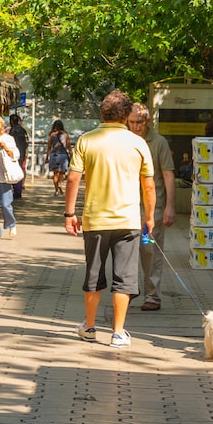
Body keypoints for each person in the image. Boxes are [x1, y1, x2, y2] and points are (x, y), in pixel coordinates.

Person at [64, 89, 155, 349]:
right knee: (125, 277)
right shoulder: (138, 143)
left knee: (93, 273)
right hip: (128, 221)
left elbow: (73, 178)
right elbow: (148, 186)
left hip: (95, 221)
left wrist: (70, 213)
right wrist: (149, 217)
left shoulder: (87, 140)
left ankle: (90, 327)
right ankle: (117, 332)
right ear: (126, 115)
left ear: (102, 112)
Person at [128, 103, 176, 311]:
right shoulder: (125, 140)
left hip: (151, 209)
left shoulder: (158, 143)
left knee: (150, 251)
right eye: (132, 122)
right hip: (127, 206)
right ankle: (127, 289)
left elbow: (168, 174)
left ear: (148, 121)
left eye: (140, 122)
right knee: (126, 250)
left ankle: (153, 296)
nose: (136, 126)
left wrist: (170, 206)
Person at [46, 120, 71, 196]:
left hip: (54, 155)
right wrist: (72, 155)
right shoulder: (66, 135)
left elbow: (49, 147)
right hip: (63, 155)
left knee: (55, 174)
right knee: (62, 173)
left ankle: (56, 190)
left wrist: (47, 157)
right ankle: (61, 184)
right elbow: (68, 146)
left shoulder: (51, 135)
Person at [8, 114, 29, 199]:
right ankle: (18, 190)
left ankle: (16, 190)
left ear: (12, 121)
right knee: (19, 171)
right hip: (22, 153)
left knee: (13, 172)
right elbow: (27, 142)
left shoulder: (12, 131)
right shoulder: (23, 130)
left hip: (13, 154)